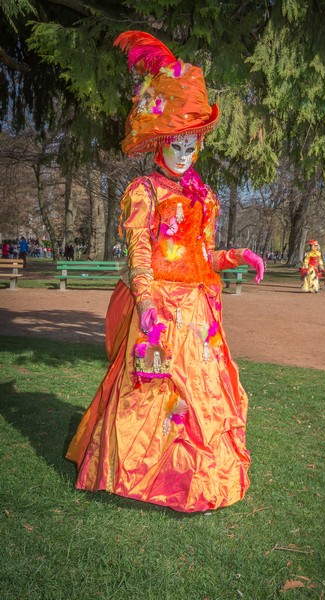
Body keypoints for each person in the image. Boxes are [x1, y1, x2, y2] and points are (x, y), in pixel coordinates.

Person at [66, 30, 265, 513]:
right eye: (176, 143)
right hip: (157, 307)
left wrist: (236, 256)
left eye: (191, 144)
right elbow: (139, 255)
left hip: (196, 313)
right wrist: (148, 304)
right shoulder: (144, 192)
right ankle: (139, 473)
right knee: (151, 386)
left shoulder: (206, 195)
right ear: (159, 140)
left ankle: (196, 474)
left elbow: (203, 256)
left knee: (203, 394)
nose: (184, 153)